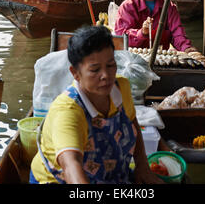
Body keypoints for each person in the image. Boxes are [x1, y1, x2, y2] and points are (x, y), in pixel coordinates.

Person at [30, 25, 163, 184]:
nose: (106, 76)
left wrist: (143, 167)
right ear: (75, 73)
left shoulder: (121, 87)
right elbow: (71, 166)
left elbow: (132, 122)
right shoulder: (67, 111)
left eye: (110, 65)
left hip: (107, 172)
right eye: (95, 70)